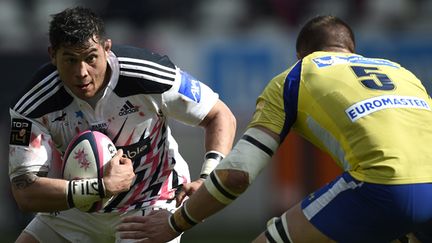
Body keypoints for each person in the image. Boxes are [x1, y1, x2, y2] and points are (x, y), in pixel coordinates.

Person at [117, 15, 432, 243]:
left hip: (384, 184)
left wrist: (174, 224)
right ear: (352, 49)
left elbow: (237, 173)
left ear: (301, 55)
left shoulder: (297, 75)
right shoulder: (403, 73)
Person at [8, 6, 236, 243]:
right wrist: (101, 188)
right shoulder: (32, 104)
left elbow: (220, 115)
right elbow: (25, 194)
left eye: (90, 58)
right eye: (70, 60)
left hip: (150, 201)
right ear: (52, 55)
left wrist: (207, 177)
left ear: (107, 48)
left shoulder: (148, 74)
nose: (82, 72)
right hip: (75, 209)